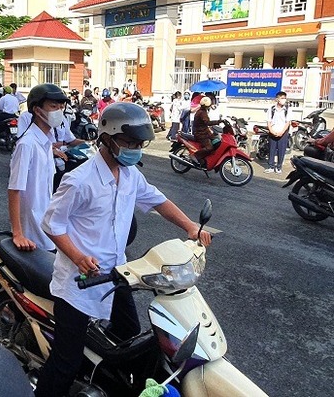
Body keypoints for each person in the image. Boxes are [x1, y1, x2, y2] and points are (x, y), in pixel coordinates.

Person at [34, 102, 213, 397]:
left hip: (117, 275)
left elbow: (158, 201)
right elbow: (52, 224)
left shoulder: (130, 175)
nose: (136, 149)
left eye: (139, 144)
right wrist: (78, 257)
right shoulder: (80, 180)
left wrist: (190, 226)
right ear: (107, 138)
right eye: (129, 143)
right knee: (66, 361)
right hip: (78, 284)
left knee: (130, 339)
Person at [8, 84, 70, 251]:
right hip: (32, 235)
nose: (59, 111)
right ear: (37, 110)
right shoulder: (27, 144)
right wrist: (18, 234)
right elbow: (14, 190)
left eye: (61, 107)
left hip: (47, 226)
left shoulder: (46, 143)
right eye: (53, 106)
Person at [265, 91, 292, 174]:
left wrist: (282, 132)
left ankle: (279, 167)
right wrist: (272, 131)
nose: (284, 100)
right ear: (277, 99)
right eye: (282, 98)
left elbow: (288, 122)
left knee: (281, 150)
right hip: (273, 132)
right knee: (271, 150)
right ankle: (271, 166)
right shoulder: (272, 109)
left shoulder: (287, 109)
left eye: (285, 98)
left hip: (283, 133)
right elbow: (268, 121)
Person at [191, 96, 222, 166]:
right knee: (209, 148)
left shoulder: (202, 111)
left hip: (205, 132)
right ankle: (195, 156)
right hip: (200, 134)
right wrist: (218, 122)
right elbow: (207, 122)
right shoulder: (202, 113)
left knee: (217, 140)